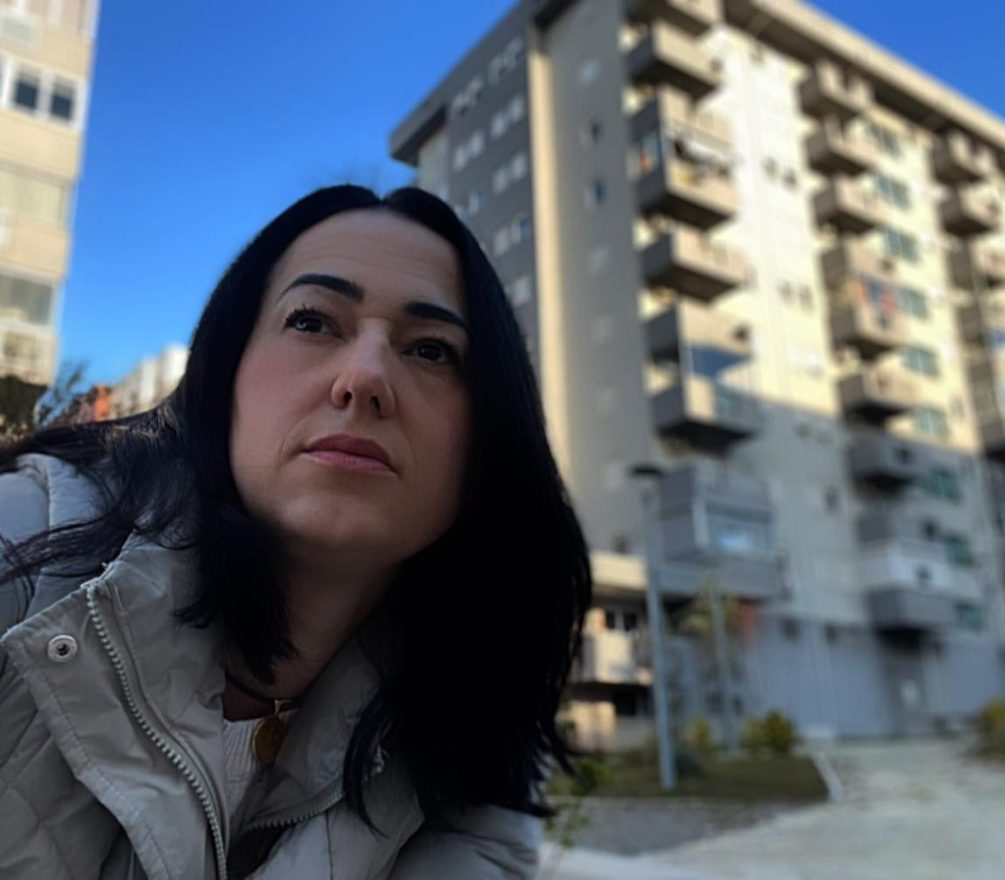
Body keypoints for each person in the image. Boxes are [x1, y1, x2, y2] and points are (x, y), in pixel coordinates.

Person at [0, 185, 592, 878]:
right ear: (225, 374)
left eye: (432, 350)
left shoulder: (475, 721)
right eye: (312, 321)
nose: (364, 378)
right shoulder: (25, 548)